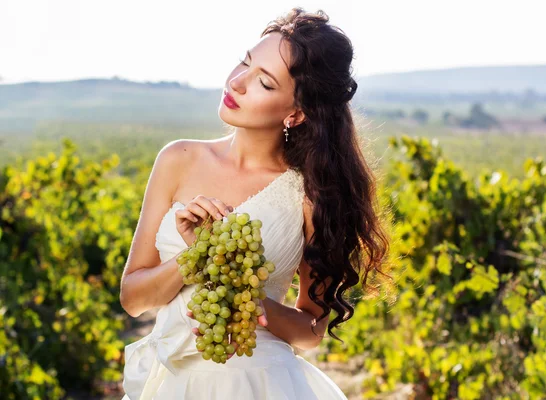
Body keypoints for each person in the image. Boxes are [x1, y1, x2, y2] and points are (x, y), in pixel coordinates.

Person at [119, 7, 390, 399]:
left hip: (260, 382)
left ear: (295, 114)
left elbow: (312, 329)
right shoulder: (177, 159)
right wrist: (196, 256)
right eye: (244, 62)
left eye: (263, 82)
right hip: (172, 383)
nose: (238, 82)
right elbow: (133, 299)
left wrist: (258, 307)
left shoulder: (310, 194)